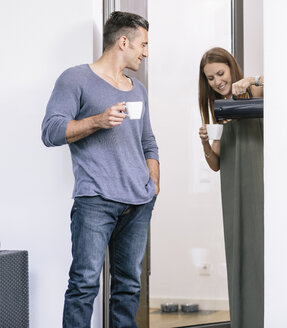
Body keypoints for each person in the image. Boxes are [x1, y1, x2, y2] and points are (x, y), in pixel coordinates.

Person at [41, 11, 159, 328]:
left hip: (138, 202)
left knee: (129, 287)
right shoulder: (75, 78)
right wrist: (98, 120)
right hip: (95, 200)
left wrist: (153, 185)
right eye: (143, 45)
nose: (145, 52)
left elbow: (148, 141)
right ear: (123, 41)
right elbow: (50, 132)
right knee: (84, 286)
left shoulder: (138, 90)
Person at [197, 47, 264, 328]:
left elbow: (285, 82)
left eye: (220, 73)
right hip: (232, 187)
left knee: (261, 250)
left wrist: (249, 80)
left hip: (257, 184)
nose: (217, 82)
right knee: (238, 251)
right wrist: (204, 142)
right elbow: (216, 162)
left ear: (231, 68)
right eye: (210, 78)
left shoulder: (251, 92)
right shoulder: (217, 108)